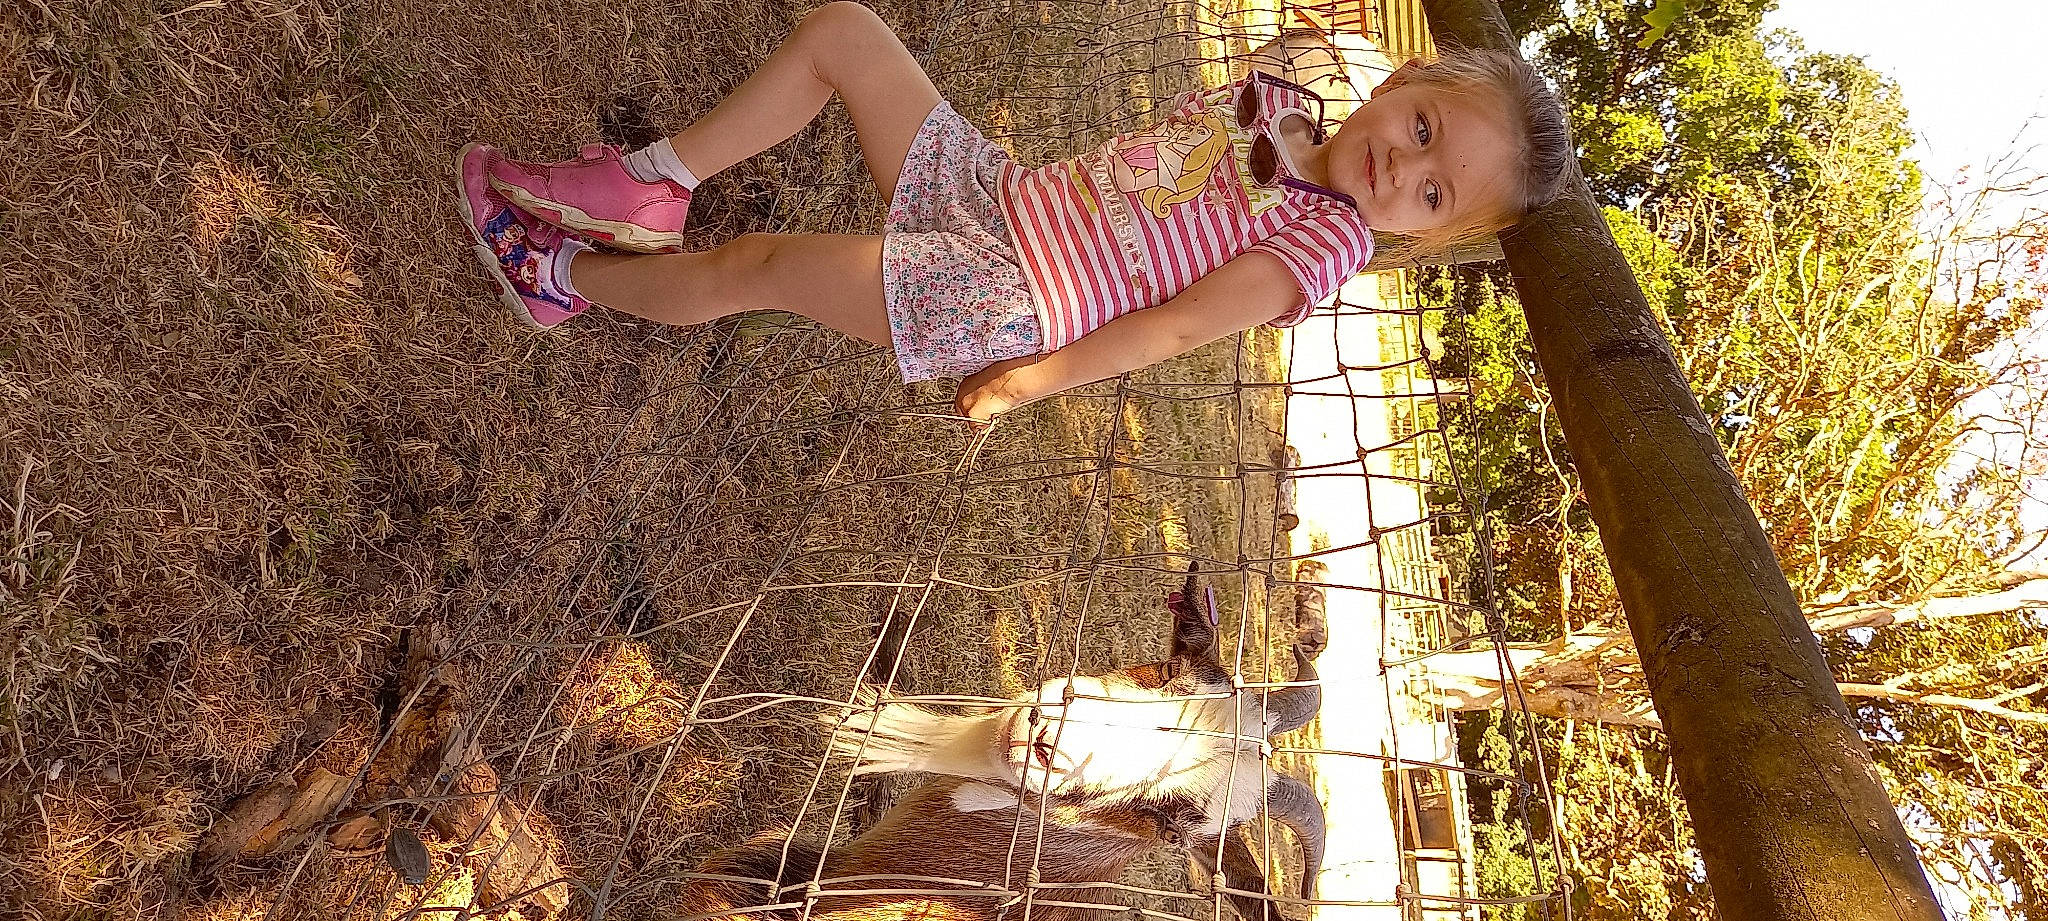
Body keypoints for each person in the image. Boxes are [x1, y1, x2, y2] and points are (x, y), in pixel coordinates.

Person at [455, 2, 1569, 422]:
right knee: (843, 30)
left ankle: (556, 279)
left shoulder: (1318, 244)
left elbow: (1176, 325)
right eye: (1423, 129)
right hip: (995, 195)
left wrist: (1031, 377)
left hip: (1012, 293)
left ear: (1427, 229)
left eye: (1433, 194)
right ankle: (650, 184)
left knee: (758, 262)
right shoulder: (1279, 97)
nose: (1401, 170)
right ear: (1401, 82)